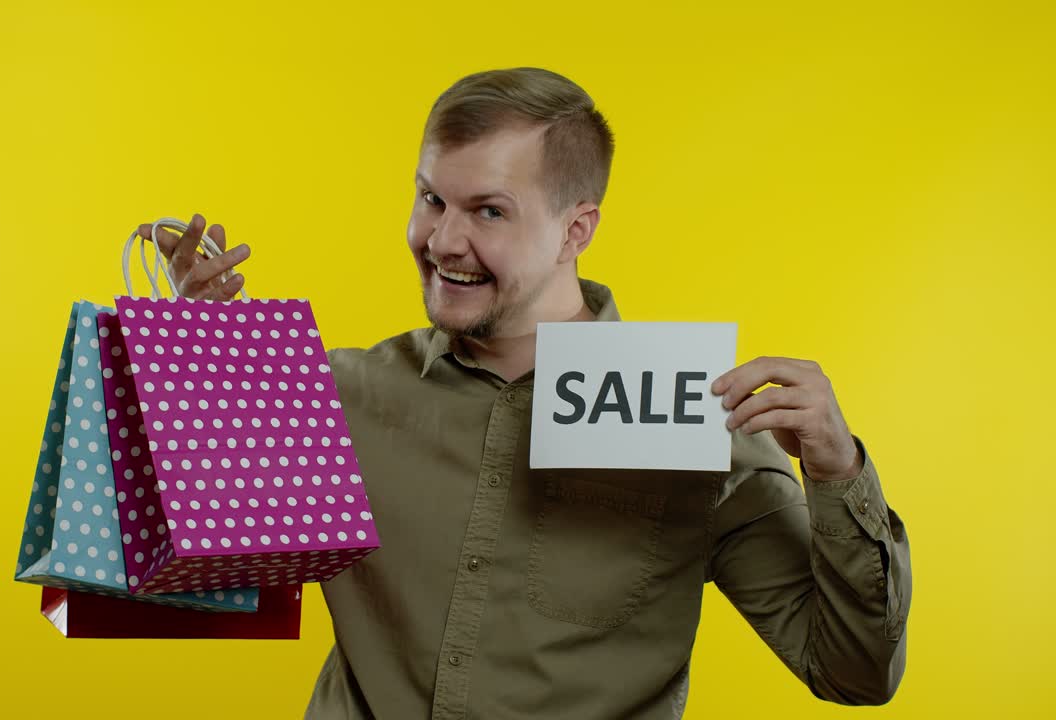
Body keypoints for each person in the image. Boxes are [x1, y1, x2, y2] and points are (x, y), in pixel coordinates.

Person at [138, 66, 911, 720]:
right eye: (431, 198)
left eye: (489, 212)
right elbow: (187, 581)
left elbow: (853, 674)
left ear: (577, 230)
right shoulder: (336, 396)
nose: (442, 241)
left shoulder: (698, 424)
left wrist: (838, 472)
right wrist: (200, 364)